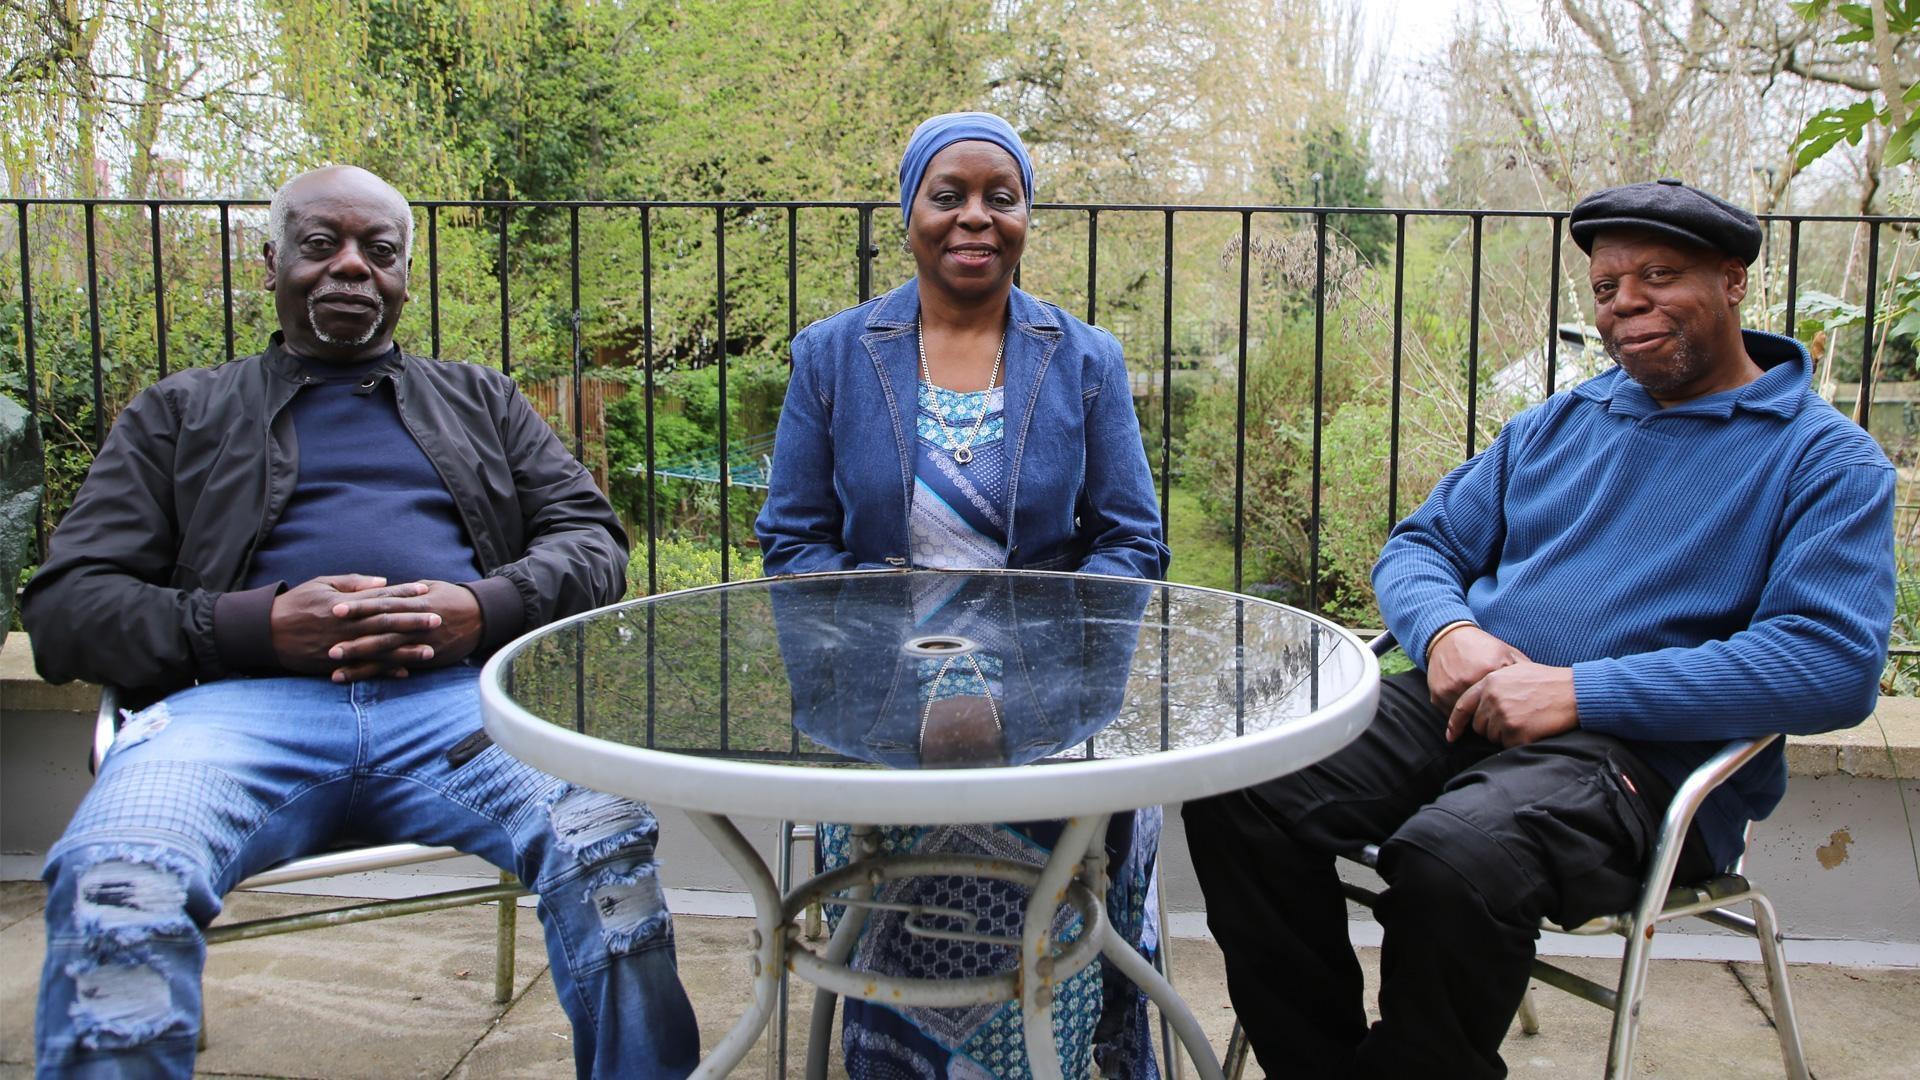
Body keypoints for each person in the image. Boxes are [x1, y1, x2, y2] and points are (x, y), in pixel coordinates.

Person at [1182, 179, 1895, 1079]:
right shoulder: (1559, 424)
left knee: (1453, 858)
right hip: (1465, 706)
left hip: (1643, 762)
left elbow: (1832, 663)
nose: (1626, 304)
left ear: (1732, 280)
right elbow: (1420, 546)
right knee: (1240, 784)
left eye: (1659, 276)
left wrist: (1578, 691)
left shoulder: (1825, 459)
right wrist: (1448, 634)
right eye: (1607, 288)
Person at [23, 165, 699, 1079]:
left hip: (464, 713)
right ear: (271, 264)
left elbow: (592, 540)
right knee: (117, 880)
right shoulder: (179, 413)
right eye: (321, 245)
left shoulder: (483, 401)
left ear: (404, 277)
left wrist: (482, 608)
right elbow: (67, 609)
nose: (352, 267)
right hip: (235, 715)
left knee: (606, 842)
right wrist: (257, 626)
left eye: (380, 251)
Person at [755, 112, 1170, 1078]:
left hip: (1054, 699)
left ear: (1025, 216)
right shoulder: (833, 356)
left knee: (1064, 850)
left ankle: (1054, 1051)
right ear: (909, 213)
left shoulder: (1084, 360)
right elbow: (794, 542)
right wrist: (907, 664)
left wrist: (1025, 668)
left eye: (1000, 197)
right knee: (908, 850)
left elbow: (1131, 543)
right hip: (877, 698)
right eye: (949, 196)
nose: (975, 217)